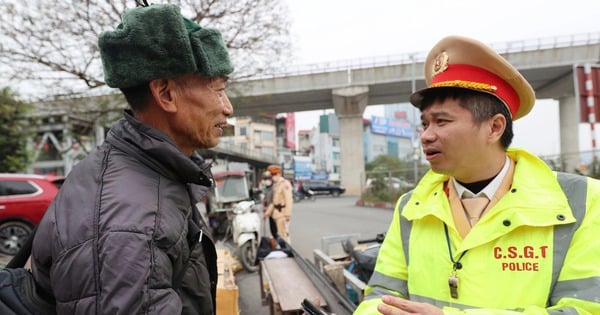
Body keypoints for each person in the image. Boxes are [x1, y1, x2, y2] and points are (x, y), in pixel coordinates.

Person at [354, 35, 600, 314]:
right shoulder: (411, 206)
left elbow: (586, 309)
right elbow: (379, 296)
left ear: (494, 127)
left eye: (441, 121)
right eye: (424, 124)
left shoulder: (582, 201)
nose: (426, 136)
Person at [30, 3, 234, 314]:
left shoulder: (140, 169)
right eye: (218, 89)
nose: (228, 107)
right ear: (165, 94)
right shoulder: (131, 225)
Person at [263, 164, 294, 243]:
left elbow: (289, 200)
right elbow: (274, 202)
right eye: (271, 175)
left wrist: (287, 214)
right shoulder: (276, 185)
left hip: (283, 213)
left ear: (278, 174)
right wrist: (267, 214)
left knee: (284, 235)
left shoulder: (285, 184)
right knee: (278, 235)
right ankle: (281, 250)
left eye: (274, 175)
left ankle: (287, 251)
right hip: (276, 214)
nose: (272, 177)